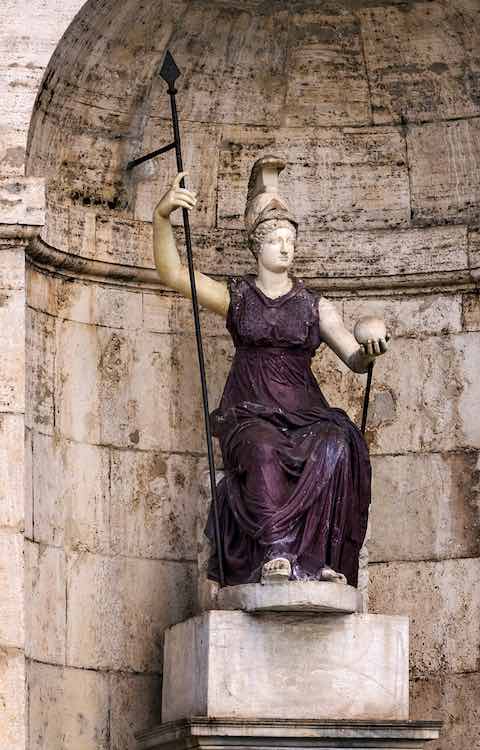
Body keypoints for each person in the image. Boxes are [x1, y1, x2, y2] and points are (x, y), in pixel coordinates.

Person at [153, 155, 389, 588]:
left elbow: (354, 360)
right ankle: (277, 551)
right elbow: (174, 274)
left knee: (336, 444)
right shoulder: (238, 297)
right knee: (262, 448)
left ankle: (318, 560)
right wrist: (162, 215)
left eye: (290, 239)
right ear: (256, 245)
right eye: (276, 238)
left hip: (304, 411)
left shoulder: (317, 306)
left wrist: (370, 350)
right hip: (251, 412)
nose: (286, 247)